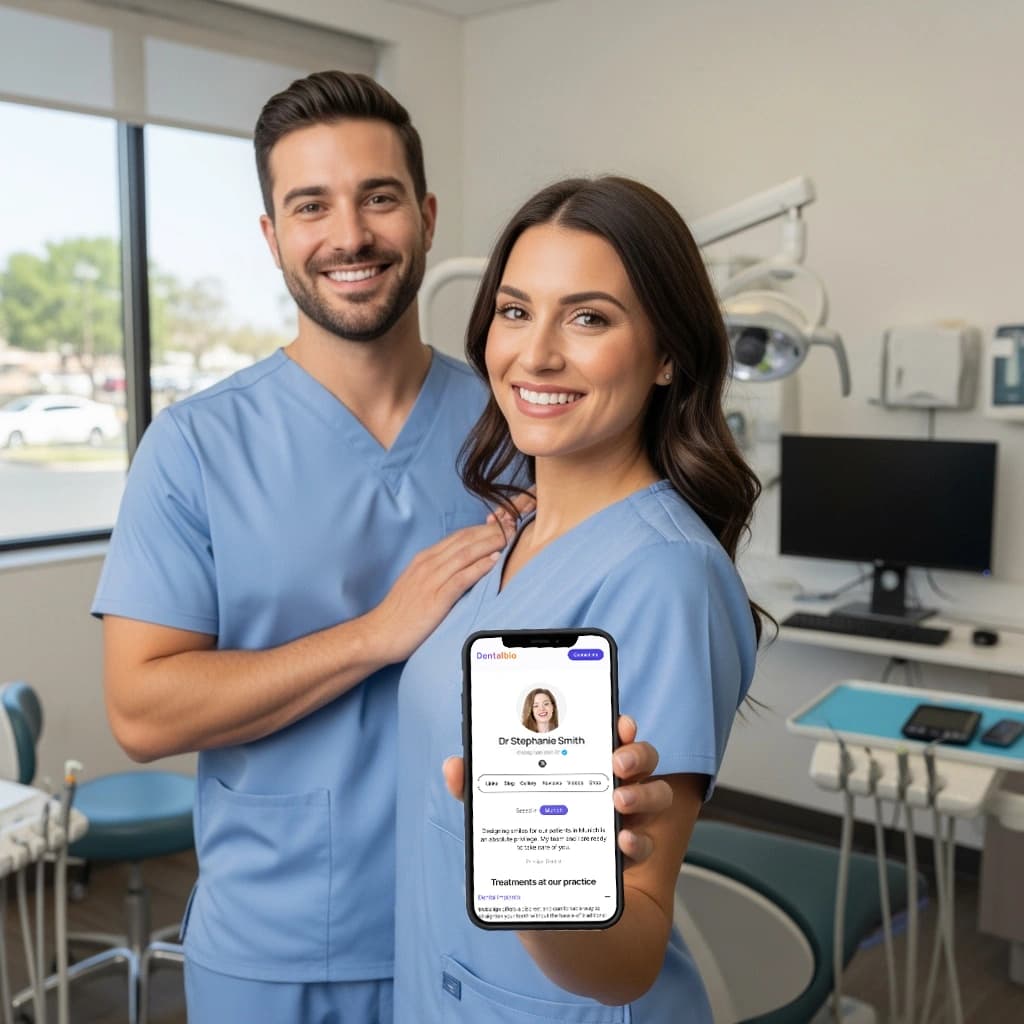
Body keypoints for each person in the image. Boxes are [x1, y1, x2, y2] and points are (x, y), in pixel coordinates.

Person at [92, 73, 666, 1023]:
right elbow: (143, 712)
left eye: (379, 197)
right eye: (310, 205)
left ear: (427, 217)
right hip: (286, 946)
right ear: (274, 237)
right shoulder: (195, 446)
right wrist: (376, 634)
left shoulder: (522, 418)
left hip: (490, 946)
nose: (349, 234)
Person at [394, 176, 765, 1022]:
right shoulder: (513, 534)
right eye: (516, 311)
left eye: (589, 317)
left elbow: (630, 955)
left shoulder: (665, 576)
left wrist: (537, 872)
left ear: (669, 354)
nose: (536, 355)